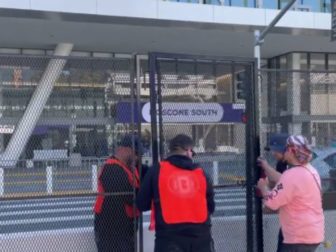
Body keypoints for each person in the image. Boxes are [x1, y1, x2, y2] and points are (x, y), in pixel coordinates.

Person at [136, 134, 215, 252]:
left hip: (169, 238)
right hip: (200, 237)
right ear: (188, 151)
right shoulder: (201, 173)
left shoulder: (157, 170)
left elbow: (141, 203)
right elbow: (211, 206)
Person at [257, 135, 324, 252]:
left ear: (290, 151)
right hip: (313, 233)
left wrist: (263, 187)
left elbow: (270, 203)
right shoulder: (311, 170)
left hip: (297, 236)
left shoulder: (291, 175)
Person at [93, 134, 143, 252]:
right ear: (126, 150)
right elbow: (130, 196)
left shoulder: (128, 167)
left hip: (124, 229)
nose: (138, 158)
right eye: (136, 154)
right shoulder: (112, 169)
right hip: (111, 229)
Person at [257, 133, 289, 252]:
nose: (274, 153)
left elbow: (284, 180)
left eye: (276, 150)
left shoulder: (294, 165)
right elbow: (277, 182)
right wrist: (267, 182)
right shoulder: (281, 163)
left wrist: (266, 167)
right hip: (288, 223)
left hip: (296, 229)